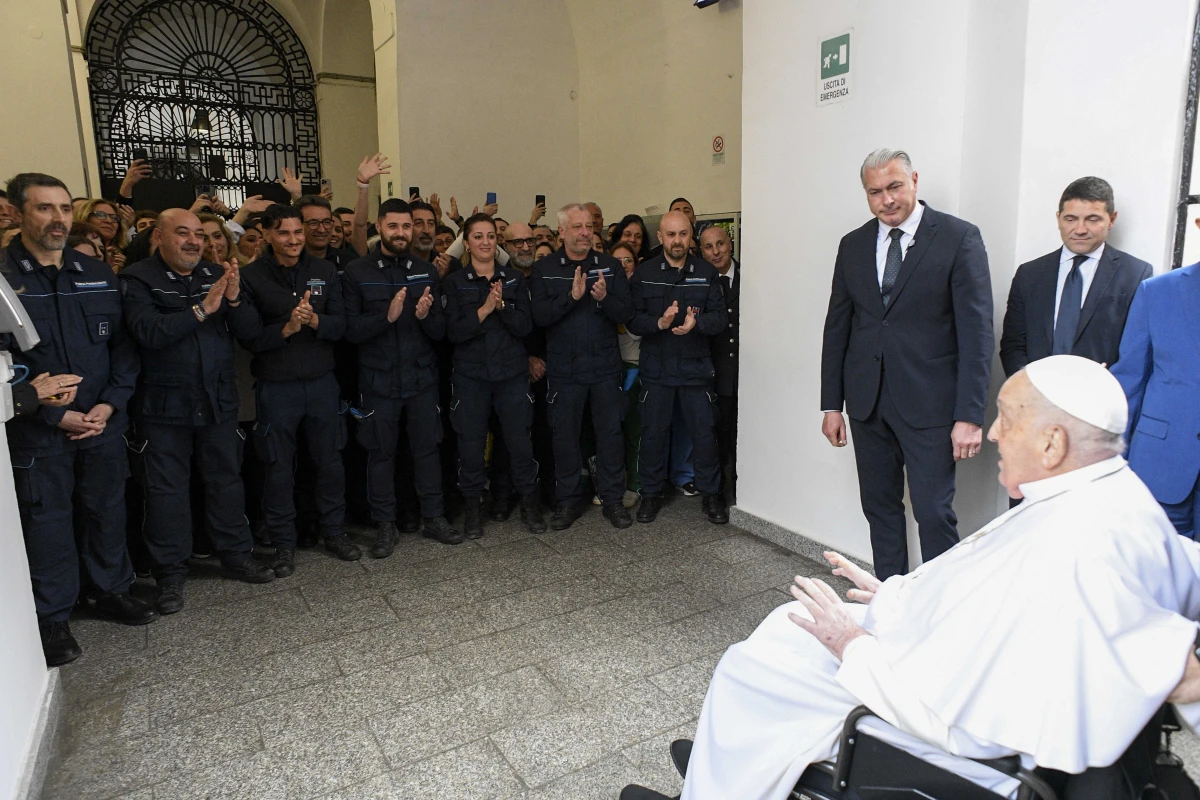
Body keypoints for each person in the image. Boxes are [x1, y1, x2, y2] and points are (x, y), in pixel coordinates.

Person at [623, 356, 1200, 800]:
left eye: (1007, 418)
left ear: (1053, 443)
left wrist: (855, 647)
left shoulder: (1081, 547)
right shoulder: (1116, 495)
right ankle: (727, 769)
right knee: (784, 628)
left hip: (958, 723)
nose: (995, 433)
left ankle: (722, 781)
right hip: (956, 663)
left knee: (756, 663)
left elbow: (968, 723)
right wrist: (900, 595)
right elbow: (999, 603)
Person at [2, 173, 156, 667]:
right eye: (45, 209)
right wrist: (56, 415)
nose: (58, 219)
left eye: (65, 209)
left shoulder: (96, 273)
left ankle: (110, 589)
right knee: (47, 521)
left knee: (106, 508)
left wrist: (109, 404)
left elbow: (123, 350)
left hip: (101, 422)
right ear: (18, 212)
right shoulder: (3, 279)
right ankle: (51, 616)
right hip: (40, 431)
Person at [820, 148, 993, 580]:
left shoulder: (958, 237)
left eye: (895, 187)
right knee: (879, 508)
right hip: (867, 402)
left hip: (931, 405)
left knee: (934, 512)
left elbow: (977, 333)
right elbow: (838, 326)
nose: (887, 200)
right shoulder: (853, 244)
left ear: (914, 179)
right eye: (875, 192)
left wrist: (969, 415)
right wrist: (831, 404)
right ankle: (888, 599)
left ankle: (940, 610)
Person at [121, 208, 275, 615]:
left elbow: (248, 333)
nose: (193, 241)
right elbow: (148, 332)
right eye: (182, 233)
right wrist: (201, 310)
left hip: (217, 399)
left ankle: (236, 554)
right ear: (159, 236)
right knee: (166, 491)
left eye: (198, 235)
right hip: (163, 405)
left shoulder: (215, 274)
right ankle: (170, 574)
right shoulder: (138, 279)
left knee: (226, 480)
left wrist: (236, 298)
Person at [236, 204, 363, 575]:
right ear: (269, 236)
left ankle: (335, 532)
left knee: (330, 462)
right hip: (277, 387)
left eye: (297, 232)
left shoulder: (324, 271)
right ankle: (282, 544)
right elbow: (248, 337)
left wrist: (316, 320)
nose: (293, 240)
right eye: (284, 233)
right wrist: (288, 328)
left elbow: (341, 326)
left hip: (323, 383)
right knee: (277, 468)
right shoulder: (252, 277)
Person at [342, 199, 462, 553]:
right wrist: (387, 317)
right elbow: (350, 332)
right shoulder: (357, 272)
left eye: (406, 227)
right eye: (393, 226)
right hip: (379, 382)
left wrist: (426, 316)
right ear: (379, 227)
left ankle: (434, 517)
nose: (400, 233)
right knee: (381, 454)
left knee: (427, 449)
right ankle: (384, 525)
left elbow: (440, 332)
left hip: (421, 379)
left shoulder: (425, 270)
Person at [530, 204, 634, 529]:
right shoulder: (544, 268)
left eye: (589, 226)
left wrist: (604, 297)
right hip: (565, 371)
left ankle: (613, 501)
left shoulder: (609, 266)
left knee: (610, 435)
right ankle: (567, 502)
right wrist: (570, 298)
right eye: (577, 227)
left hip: (604, 368)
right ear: (562, 231)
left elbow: (626, 312)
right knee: (565, 437)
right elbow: (539, 317)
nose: (585, 232)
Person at [442, 213, 546, 537]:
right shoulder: (454, 282)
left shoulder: (514, 279)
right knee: (471, 447)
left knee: (520, 444)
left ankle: (530, 504)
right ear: (467, 242)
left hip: (511, 375)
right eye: (478, 236)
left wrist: (503, 308)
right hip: (471, 377)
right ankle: (474, 509)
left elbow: (525, 326)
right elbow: (453, 333)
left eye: (490, 236)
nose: (486, 242)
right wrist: (485, 309)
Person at [627, 210, 728, 525]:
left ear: (691, 235)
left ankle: (711, 495)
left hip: (696, 369)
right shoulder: (644, 274)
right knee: (654, 433)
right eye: (671, 235)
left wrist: (696, 324)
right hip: (658, 369)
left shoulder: (705, 272)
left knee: (704, 434)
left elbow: (720, 318)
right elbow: (633, 319)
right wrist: (660, 322)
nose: (677, 241)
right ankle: (651, 494)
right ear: (660, 237)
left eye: (683, 234)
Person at [1001, 176, 1151, 377]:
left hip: (1101, 398)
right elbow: (1013, 345)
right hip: (1034, 398)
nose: (1080, 230)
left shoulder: (1136, 274)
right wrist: (1029, 386)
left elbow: (1135, 354)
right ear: (1058, 218)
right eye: (1070, 219)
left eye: (1093, 219)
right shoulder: (1029, 274)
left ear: (1111, 220)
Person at [1111, 229, 1200, 539]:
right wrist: (1113, 461)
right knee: (1152, 575)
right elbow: (1129, 381)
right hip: (1160, 463)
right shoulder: (1157, 292)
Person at [700, 225, 739, 502]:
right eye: (708, 247)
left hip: (749, 373)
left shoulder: (753, 275)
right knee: (718, 437)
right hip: (715, 374)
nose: (716, 252)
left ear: (731, 244)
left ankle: (745, 491)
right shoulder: (699, 281)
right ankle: (718, 493)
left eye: (720, 244)